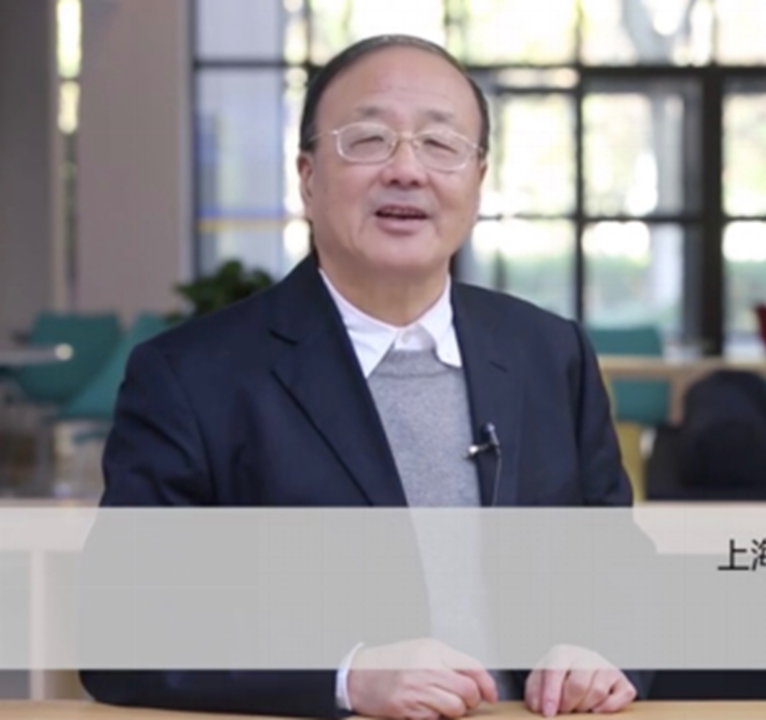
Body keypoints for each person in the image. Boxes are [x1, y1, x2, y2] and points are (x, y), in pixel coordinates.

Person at [80, 34, 647, 719]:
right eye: (369, 139)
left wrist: (603, 653)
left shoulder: (549, 353)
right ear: (307, 177)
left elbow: (620, 576)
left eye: (440, 143)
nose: (407, 169)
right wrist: (346, 677)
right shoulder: (191, 377)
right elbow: (125, 638)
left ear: (477, 179)